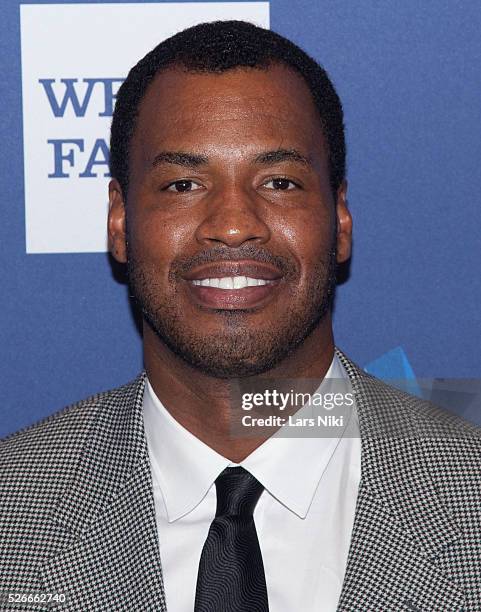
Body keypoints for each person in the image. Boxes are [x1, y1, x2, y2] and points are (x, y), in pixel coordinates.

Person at [1, 20, 480, 612]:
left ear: (341, 220)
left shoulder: (470, 493)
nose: (232, 224)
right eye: (183, 184)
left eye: (279, 181)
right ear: (120, 223)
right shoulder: (12, 509)